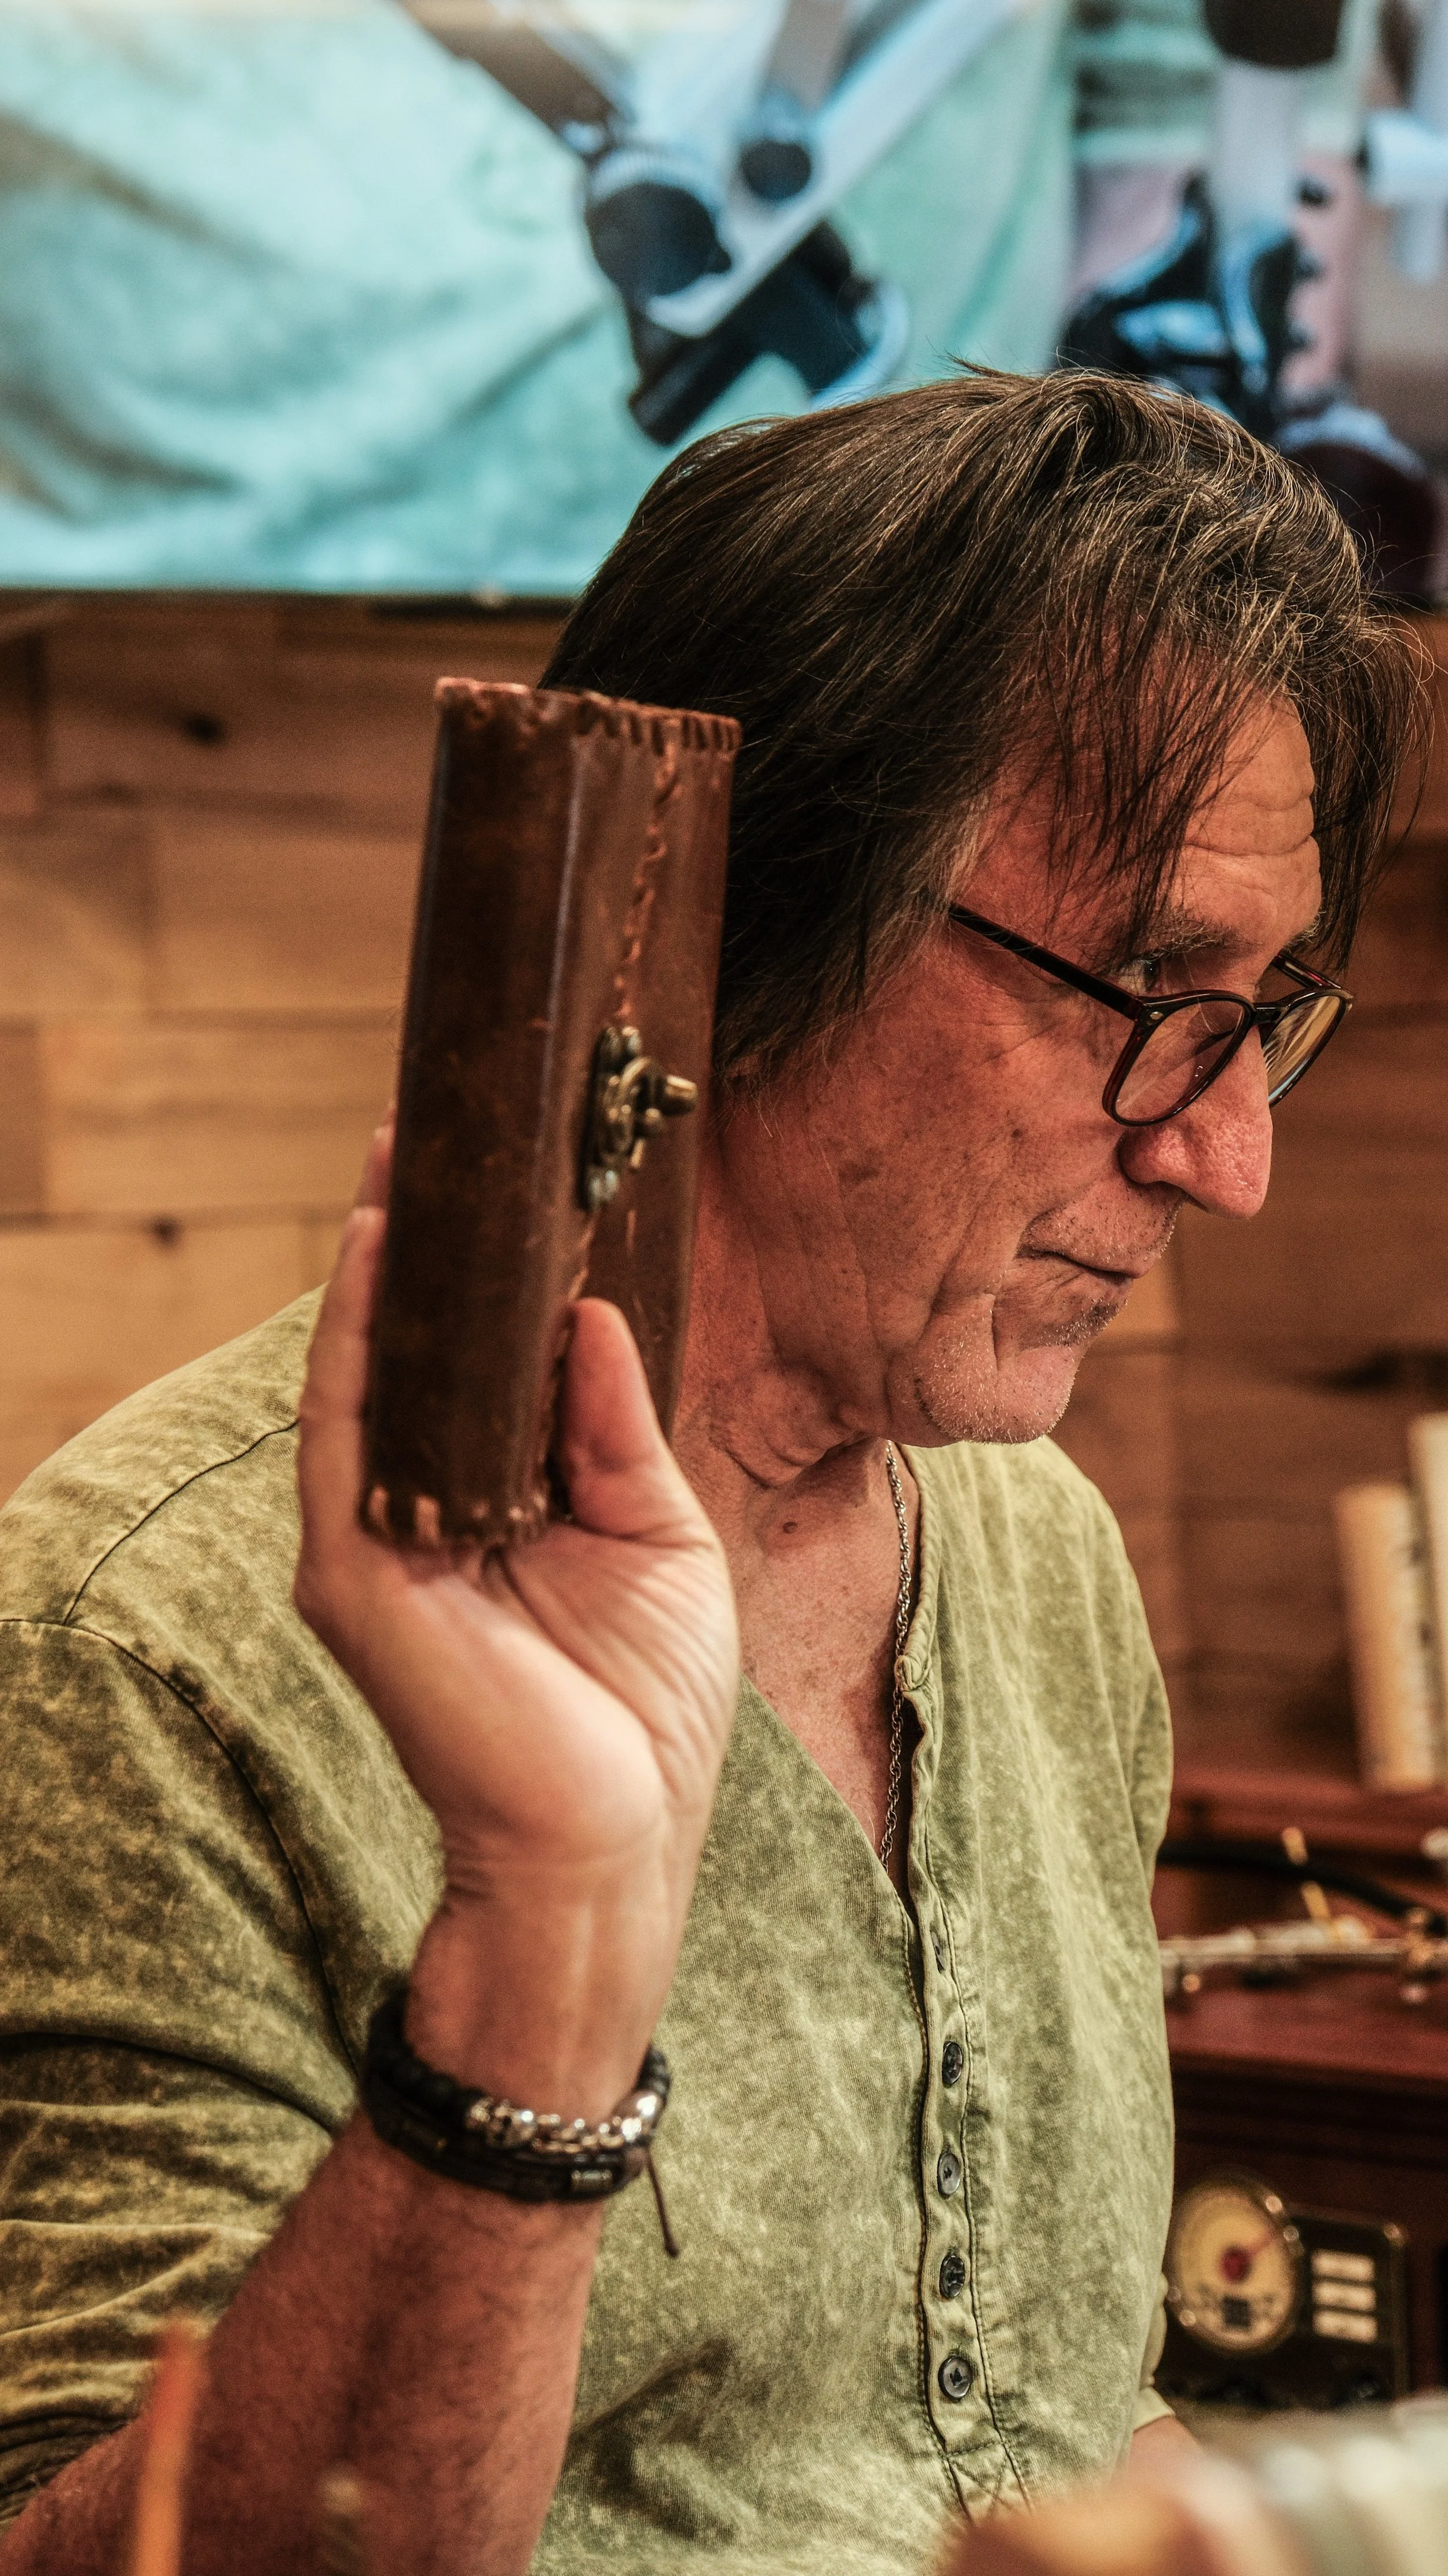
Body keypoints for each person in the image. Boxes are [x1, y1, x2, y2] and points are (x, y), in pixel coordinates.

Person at [0, 369, 1417, 2575]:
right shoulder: (137, 1651)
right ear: (736, 916)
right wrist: (545, 1930)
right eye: (1147, 989)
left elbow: (1023, 2426)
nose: (1221, 1157)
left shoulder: (1030, 1544)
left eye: (1267, 1016)